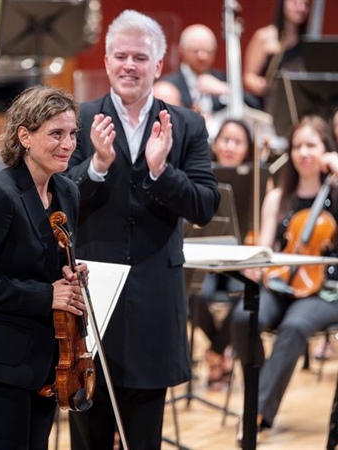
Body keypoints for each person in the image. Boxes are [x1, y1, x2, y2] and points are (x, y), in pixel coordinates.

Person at [64, 10, 219, 449]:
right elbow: (56, 202)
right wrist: (95, 165)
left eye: (139, 56)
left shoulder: (186, 125)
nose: (129, 65)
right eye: (120, 55)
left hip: (155, 298)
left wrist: (161, 171)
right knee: (88, 435)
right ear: (109, 61)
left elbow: (206, 206)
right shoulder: (79, 118)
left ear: (158, 64)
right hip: (92, 301)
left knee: (145, 438)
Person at [0, 85, 87, 449]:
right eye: (56, 134)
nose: (68, 144)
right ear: (24, 136)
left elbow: (52, 265)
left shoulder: (67, 192)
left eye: (72, 133)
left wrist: (72, 272)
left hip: (46, 361)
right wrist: (48, 295)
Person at [230, 115, 338, 438]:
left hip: (327, 288)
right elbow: (265, 247)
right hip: (281, 282)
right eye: (297, 146)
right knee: (242, 318)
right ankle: (264, 390)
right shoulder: (278, 196)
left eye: (312, 145)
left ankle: (257, 411)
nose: (303, 152)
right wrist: (255, 265)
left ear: (326, 150)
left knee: (294, 327)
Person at [191, 118, 253, 389]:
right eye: (225, 140)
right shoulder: (200, 175)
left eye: (237, 141)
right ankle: (221, 354)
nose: (229, 147)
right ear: (214, 145)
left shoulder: (257, 178)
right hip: (208, 254)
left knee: (248, 296)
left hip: (244, 257)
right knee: (196, 294)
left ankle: (216, 353)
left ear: (248, 149)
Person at [242, 0, 310, 136]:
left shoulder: (309, 41)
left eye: (306, 5)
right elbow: (248, 76)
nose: (301, 8)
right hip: (269, 106)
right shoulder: (264, 37)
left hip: (299, 105)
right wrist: (260, 84)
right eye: (295, 3)